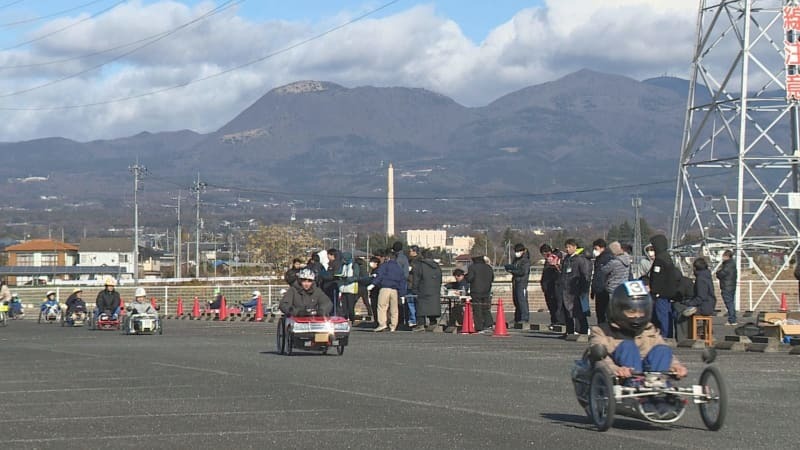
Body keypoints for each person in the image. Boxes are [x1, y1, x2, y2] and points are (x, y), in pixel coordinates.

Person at [588, 281, 688, 413]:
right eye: (631, 312)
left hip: (651, 376)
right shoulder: (601, 331)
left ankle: (660, 389)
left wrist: (676, 366)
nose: (637, 316)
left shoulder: (649, 330)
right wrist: (616, 370)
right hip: (623, 379)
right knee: (628, 346)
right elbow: (599, 359)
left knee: (663, 349)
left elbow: (664, 353)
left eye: (641, 312)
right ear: (618, 310)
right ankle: (637, 388)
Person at [675, 258, 715, 340]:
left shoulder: (701, 279)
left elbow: (700, 298)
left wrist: (688, 303)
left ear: (695, 268)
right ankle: (688, 335)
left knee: (681, 311)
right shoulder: (707, 276)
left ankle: (683, 337)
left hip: (704, 307)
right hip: (709, 304)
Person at [647, 235, 678, 338]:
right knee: (666, 315)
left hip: (661, 294)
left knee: (662, 315)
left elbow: (657, 278)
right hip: (669, 293)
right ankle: (668, 334)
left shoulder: (659, 260)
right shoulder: (667, 257)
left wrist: (654, 292)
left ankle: (665, 335)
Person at [367, 251, 406, 332]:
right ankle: (393, 326)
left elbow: (380, 276)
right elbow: (402, 281)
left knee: (382, 306)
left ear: (387, 257)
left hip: (385, 288)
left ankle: (382, 324)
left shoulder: (385, 266)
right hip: (395, 290)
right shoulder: (399, 268)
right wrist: (402, 294)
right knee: (394, 309)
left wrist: (373, 284)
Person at [560, 239, 592, 334]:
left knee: (579, 311)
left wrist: (584, 289)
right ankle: (569, 331)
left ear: (575, 247)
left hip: (576, 289)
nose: (567, 249)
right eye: (566, 247)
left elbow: (585, 275)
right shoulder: (566, 259)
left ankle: (583, 330)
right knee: (567, 311)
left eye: (569, 247)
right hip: (566, 289)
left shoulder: (580, 260)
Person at [600, 241, 633, 321]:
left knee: (612, 310)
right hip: (623, 288)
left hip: (613, 288)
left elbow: (604, 270)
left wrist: (602, 264)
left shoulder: (614, 262)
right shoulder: (627, 260)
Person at [411, 250, 443, 331]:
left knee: (421, 307)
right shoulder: (437, 266)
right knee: (433, 307)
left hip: (423, 290)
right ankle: (433, 323)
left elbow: (416, 279)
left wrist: (414, 289)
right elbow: (440, 279)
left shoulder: (420, 266)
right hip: (435, 290)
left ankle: (421, 324)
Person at [505, 243, 531, 328]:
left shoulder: (525, 260)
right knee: (516, 300)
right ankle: (517, 317)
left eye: (518, 251)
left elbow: (522, 272)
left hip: (522, 282)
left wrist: (512, 271)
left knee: (522, 300)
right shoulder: (516, 260)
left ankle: (524, 318)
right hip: (516, 281)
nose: (517, 253)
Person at [466, 255, 495, 334]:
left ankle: (479, 327)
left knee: (477, 309)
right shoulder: (489, 267)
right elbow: (492, 278)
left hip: (476, 291)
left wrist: (466, 276)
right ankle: (489, 323)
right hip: (487, 290)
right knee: (486, 308)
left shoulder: (473, 267)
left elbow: (470, 278)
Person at [590, 239, 613, 325]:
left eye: (596, 248)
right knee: (599, 313)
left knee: (604, 313)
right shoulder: (598, 259)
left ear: (602, 248)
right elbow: (596, 276)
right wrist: (593, 289)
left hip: (605, 290)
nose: (594, 251)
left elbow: (605, 275)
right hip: (598, 289)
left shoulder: (608, 258)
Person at [539, 244, 563, 327]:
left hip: (555, 285)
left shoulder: (556, 258)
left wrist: (556, 265)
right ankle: (554, 320)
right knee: (551, 305)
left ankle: (559, 321)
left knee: (557, 304)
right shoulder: (547, 261)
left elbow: (559, 271)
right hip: (548, 286)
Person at [336, 252, 360, 321]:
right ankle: (345, 319)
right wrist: (339, 277)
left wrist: (348, 279)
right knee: (344, 307)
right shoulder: (343, 265)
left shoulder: (354, 265)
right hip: (343, 288)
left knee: (350, 306)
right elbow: (340, 273)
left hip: (351, 289)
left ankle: (352, 319)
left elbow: (356, 276)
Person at [716, 249, 738, 326]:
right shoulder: (732, 264)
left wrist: (718, 272)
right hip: (731, 286)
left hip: (726, 286)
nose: (722, 257)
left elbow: (721, 274)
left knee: (729, 303)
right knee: (731, 302)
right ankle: (732, 318)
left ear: (727, 256)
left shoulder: (727, 265)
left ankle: (732, 319)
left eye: (724, 256)